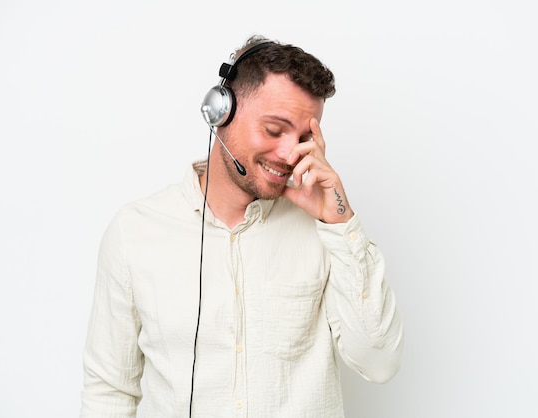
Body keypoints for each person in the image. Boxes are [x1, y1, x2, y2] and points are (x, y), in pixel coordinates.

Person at [80, 34, 404, 418]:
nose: (289, 154)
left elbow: (379, 362)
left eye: (303, 137)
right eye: (273, 130)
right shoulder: (134, 232)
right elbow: (110, 392)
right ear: (221, 113)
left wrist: (339, 219)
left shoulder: (325, 232)